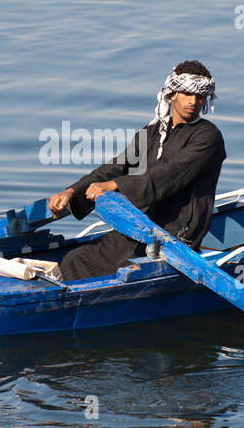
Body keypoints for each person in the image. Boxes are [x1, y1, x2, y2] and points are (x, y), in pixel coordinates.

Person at [48, 61, 225, 280]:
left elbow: (168, 174)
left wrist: (115, 186)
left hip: (177, 232)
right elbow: (116, 167)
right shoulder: (152, 132)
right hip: (142, 222)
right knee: (75, 259)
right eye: (187, 93)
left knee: (122, 269)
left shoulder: (208, 136)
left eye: (200, 96)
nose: (193, 101)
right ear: (171, 94)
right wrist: (72, 192)